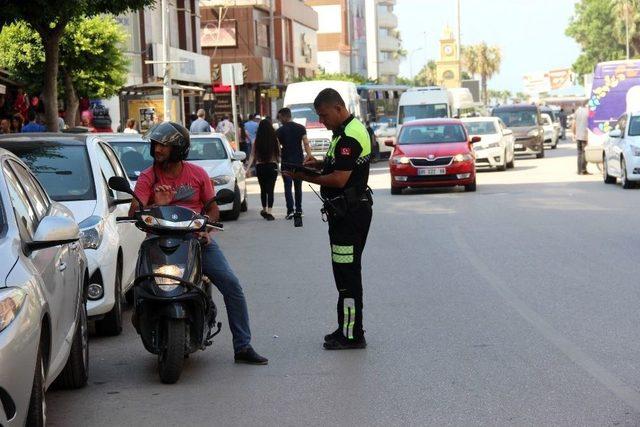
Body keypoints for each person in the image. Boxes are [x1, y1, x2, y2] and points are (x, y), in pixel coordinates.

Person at [130, 122, 268, 365]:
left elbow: (213, 210)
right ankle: (143, 317)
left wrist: (206, 229)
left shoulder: (197, 175)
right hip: (157, 241)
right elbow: (134, 212)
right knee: (139, 285)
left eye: (163, 145)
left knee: (232, 285)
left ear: (178, 149)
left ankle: (243, 345)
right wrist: (159, 204)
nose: (157, 149)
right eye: (156, 144)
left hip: (195, 241)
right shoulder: (148, 177)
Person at [284, 88, 373, 350]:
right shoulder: (345, 132)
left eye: (323, 116)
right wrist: (317, 165)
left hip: (350, 216)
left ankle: (352, 336)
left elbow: (339, 178)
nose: (321, 121)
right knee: (345, 273)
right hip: (346, 212)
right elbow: (337, 166)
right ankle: (346, 328)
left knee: (346, 276)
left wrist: (304, 177)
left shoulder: (348, 136)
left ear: (338, 107)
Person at [276, 108, 313, 222]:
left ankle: (290, 211)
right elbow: (306, 142)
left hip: (286, 162)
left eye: (279, 117)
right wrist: (309, 155)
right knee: (298, 186)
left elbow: (278, 148)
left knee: (287, 186)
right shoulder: (300, 128)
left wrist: (279, 158)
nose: (279, 119)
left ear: (283, 116)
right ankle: (299, 210)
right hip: (298, 162)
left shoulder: (279, 131)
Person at [248, 119, 280, 221]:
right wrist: (279, 165)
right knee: (271, 190)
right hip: (272, 166)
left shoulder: (257, 140)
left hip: (260, 167)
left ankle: (264, 209)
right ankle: (270, 211)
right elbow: (279, 153)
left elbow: (252, 155)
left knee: (263, 189)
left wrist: (247, 168)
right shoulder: (275, 139)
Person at [572, 104, 589, 175]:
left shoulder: (577, 111)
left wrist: (573, 133)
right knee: (584, 152)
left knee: (579, 153)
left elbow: (573, 123)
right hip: (585, 135)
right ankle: (583, 170)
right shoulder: (589, 112)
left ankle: (579, 170)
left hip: (578, 135)